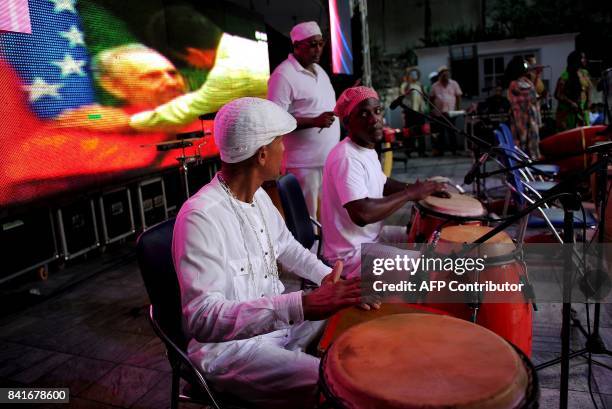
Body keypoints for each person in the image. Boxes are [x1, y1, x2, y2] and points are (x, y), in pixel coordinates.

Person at [172, 97, 363, 408]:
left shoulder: (258, 196)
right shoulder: (200, 216)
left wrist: (327, 278)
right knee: (342, 384)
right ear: (262, 154)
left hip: (277, 332)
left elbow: (286, 245)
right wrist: (301, 304)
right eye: (280, 143)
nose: (284, 150)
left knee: (350, 315)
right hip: (232, 352)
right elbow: (202, 319)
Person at [321, 86, 446, 279]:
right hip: (350, 256)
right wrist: (410, 194)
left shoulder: (365, 148)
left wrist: (419, 189)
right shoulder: (346, 157)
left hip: (371, 239)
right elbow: (362, 213)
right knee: (431, 266)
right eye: (364, 114)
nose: (374, 119)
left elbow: (383, 183)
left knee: (426, 237)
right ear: (347, 123)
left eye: (377, 111)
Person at [267, 21, 340, 219]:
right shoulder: (283, 75)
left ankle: (326, 250)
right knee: (307, 219)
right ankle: (310, 250)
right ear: (297, 46)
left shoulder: (320, 72)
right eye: (312, 44)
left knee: (327, 215)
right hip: (303, 163)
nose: (318, 49)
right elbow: (275, 120)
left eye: (320, 43)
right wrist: (313, 121)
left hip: (327, 159)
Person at [506, 56, 542, 158]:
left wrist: (537, 76)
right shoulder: (514, 84)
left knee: (532, 147)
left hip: (530, 119)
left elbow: (532, 94)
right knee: (522, 147)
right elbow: (527, 96)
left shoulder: (526, 81)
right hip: (521, 120)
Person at [554, 50, 592, 131]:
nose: (585, 60)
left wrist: (589, 100)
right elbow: (557, 94)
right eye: (582, 58)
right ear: (576, 60)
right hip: (569, 112)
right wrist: (571, 103)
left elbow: (589, 87)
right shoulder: (565, 76)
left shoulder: (585, 73)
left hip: (583, 110)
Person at [429, 65, 463, 155]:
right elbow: (431, 99)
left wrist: (458, 109)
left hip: (451, 112)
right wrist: (432, 110)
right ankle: (441, 151)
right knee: (440, 133)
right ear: (439, 75)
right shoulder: (435, 86)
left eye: (447, 74)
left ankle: (454, 150)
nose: (446, 76)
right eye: (443, 75)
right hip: (439, 113)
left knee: (452, 132)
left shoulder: (454, 83)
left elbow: (458, 96)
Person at [400, 67, 427, 156]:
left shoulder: (419, 84)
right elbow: (403, 94)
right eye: (412, 74)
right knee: (409, 132)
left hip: (419, 112)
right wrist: (408, 78)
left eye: (415, 74)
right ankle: (408, 151)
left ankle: (421, 151)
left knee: (421, 132)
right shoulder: (405, 85)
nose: (414, 76)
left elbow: (424, 97)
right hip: (409, 112)